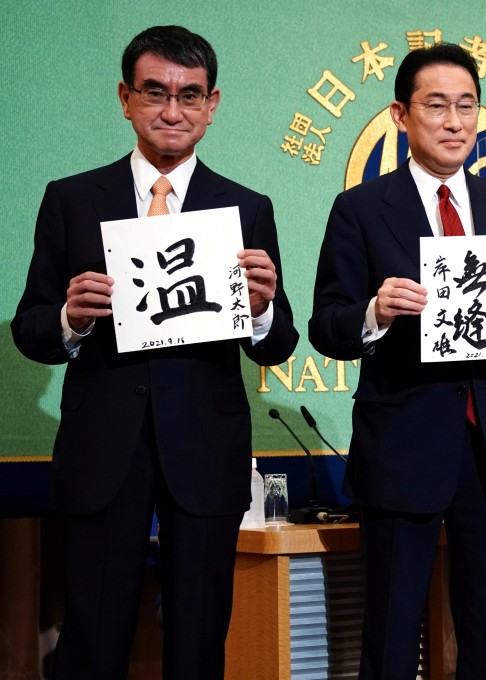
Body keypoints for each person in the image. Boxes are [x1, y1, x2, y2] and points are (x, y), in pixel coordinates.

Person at [11, 25, 298, 680]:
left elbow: (280, 344)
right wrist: (68, 319)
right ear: (125, 98)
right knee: (93, 639)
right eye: (156, 92)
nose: (173, 110)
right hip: (102, 449)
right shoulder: (73, 199)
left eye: (190, 95)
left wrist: (261, 311)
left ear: (213, 104)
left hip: (206, 450)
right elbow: (30, 329)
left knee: (199, 640)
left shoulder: (248, 208)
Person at [308, 43, 486, 680]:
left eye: (467, 106)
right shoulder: (362, 209)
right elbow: (327, 325)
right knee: (394, 626)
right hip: (403, 440)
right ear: (401, 115)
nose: (455, 122)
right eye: (436, 106)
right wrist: (375, 311)